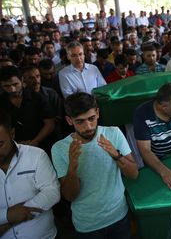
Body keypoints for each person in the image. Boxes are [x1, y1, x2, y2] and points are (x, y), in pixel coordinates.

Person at [51, 92, 138, 238]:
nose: (88, 126)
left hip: (119, 217)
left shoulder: (113, 133)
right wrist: (72, 167)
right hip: (87, 226)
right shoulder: (59, 148)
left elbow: (134, 174)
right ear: (69, 120)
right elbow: (70, 196)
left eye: (91, 118)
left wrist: (116, 155)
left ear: (97, 112)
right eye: (80, 121)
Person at [0, 110, 60, 238]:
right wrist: (7, 215)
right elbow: (11, 215)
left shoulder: (36, 155)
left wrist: (14, 217)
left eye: (0, 144)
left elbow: (52, 192)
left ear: (12, 134)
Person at [0, 66, 55, 150]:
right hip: (13, 148)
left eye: (15, 84)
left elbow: (50, 124)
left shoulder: (38, 98)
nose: (12, 89)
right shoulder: (1, 103)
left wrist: (35, 141)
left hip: (41, 146)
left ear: (22, 80)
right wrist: (16, 143)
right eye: (6, 86)